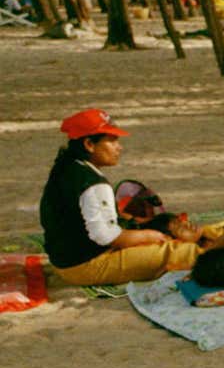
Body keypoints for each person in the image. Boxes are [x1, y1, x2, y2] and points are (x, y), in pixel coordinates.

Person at [39, 109, 199, 286]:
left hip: (65, 261)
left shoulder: (66, 166)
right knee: (180, 253)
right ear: (89, 144)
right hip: (85, 267)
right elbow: (106, 236)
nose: (119, 147)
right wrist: (147, 236)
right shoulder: (93, 184)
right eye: (112, 140)